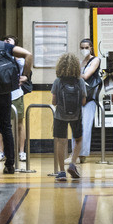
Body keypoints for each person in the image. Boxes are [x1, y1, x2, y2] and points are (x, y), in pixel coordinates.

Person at [0, 35, 29, 176]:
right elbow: (28, 54)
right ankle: (10, 164)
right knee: (6, 126)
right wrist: (26, 76)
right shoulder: (5, 47)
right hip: (6, 91)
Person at [49, 52, 85, 181]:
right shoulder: (80, 81)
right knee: (79, 140)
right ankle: (72, 163)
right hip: (76, 116)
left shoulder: (57, 81)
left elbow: (54, 101)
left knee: (60, 141)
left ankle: (61, 171)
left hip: (60, 116)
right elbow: (83, 101)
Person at [79, 38, 102, 164]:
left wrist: (72, 73)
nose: (84, 50)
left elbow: (86, 76)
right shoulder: (80, 62)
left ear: (91, 48)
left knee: (86, 126)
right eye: (81, 47)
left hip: (89, 97)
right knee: (76, 125)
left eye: (86, 47)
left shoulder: (96, 60)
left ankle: (82, 154)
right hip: (79, 96)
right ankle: (76, 152)